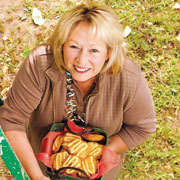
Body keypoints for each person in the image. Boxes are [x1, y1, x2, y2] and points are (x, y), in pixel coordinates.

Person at [0, 2, 156, 180]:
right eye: (74, 46)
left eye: (94, 50)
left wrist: (99, 152)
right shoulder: (39, 65)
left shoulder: (129, 78)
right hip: (41, 166)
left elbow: (143, 127)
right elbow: (11, 120)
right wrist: (36, 175)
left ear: (108, 53)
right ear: (62, 45)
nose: (82, 60)